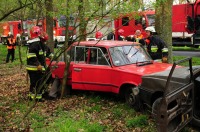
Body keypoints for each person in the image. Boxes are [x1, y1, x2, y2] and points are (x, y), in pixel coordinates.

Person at [26, 26, 53, 101]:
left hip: (39, 68)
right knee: (36, 83)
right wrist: (38, 64)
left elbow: (48, 53)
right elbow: (31, 56)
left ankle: (34, 96)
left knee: (38, 83)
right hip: (34, 68)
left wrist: (54, 57)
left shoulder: (42, 45)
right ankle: (36, 98)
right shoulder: (34, 44)